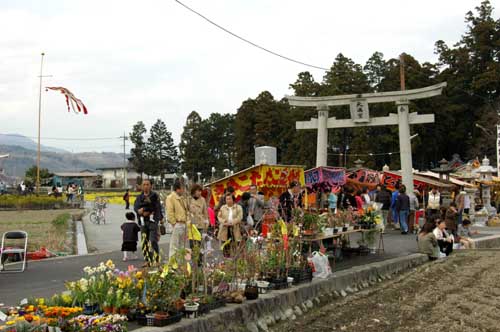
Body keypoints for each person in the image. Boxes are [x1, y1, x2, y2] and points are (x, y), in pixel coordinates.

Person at [134, 179, 163, 266]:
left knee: (153, 240)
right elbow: (136, 206)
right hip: (143, 221)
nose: (146, 186)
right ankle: (147, 260)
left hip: (152, 221)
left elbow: (156, 206)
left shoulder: (154, 195)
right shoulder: (139, 197)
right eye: (144, 184)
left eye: (147, 184)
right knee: (144, 241)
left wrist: (146, 209)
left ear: (151, 186)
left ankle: (156, 259)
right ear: (142, 186)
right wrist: (139, 210)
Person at [166, 179, 189, 260]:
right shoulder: (171, 197)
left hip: (184, 224)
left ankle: (181, 264)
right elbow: (170, 212)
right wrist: (174, 223)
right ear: (178, 189)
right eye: (183, 188)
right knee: (174, 246)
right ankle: (173, 265)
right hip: (177, 223)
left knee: (182, 246)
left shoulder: (182, 198)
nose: (184, 190)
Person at [217, 192, 243, 256]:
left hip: (235, 228)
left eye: (229, 199)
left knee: (235, 243)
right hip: (225, 228)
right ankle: (226, 258)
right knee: (225, 244)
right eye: (226, 199)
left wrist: (232, 222)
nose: (228, 200)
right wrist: (224, 221)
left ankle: (235, 258)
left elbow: (240, 217)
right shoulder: (223, 207)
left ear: (233, 199)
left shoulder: (238, 207)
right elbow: (219, 216)